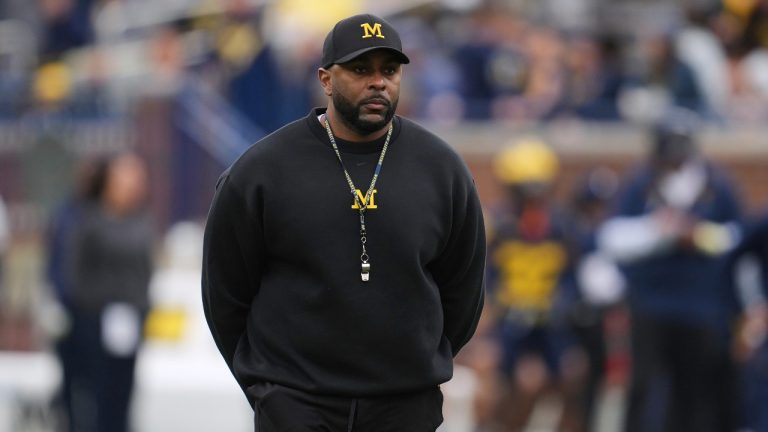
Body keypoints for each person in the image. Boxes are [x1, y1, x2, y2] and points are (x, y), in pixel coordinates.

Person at [201, 13, 486, 432]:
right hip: (296, 402)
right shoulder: (262, 171)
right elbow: (225, 294)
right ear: (326, 79)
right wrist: (267, 387)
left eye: (389, 70)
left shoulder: (442, 170)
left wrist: (416, 366)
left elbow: (463, 291)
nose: (378, 82)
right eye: (360, 69)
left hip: (403, 404)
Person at [598, 109, 742, 432]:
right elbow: (612, 237)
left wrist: (699, 235)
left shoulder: (717, 185)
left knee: (695, 390)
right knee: (646, 387)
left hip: (702, 307)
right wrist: (657, 231)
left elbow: (737, 238)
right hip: (650, 305)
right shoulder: (640, 184)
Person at [486, 137, 585, 432]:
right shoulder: (497, 228)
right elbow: (485, 282)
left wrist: (562, 305)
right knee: (523, 384)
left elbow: (575, 279)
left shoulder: (564, 227)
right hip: (510, 324)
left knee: (573, 375)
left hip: (554, 323)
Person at [69, 153, 153, 432]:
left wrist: (139, 308)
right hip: (96, 324)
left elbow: (145, 270)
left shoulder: (141, 222)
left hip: (131, 322)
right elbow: (78, 274)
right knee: (96, 399)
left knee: (123, 395)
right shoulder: (91, 222)